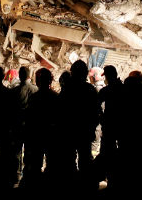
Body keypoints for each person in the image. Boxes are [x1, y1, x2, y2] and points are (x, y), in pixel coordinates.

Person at [59, 60, 100, 190]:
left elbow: (61, 111)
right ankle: (85, 185)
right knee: (85, 159)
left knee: (69, 159)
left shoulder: (66, 89)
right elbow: (96, 112)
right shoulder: (90, 89)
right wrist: (92, 127)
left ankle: (70, 183)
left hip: (69, 131)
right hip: (84, 131)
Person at [22, 68, 60, 189]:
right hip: (51, 136)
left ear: (38, 81)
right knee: (52, 164)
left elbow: (29, 119)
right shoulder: (56, 97)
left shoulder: (34, 98)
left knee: (35, 164)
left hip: (37, 136)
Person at [96, 65, 124, 187]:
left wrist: (102, 117)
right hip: (123, 126)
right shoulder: (124, 89)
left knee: (107, 152)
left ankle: (109, 176)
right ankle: (118, 179)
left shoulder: (106, 90)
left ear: (107, 76)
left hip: (109, 126)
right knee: (122, 152)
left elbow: (96, 105)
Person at [11, 66, 38, 186]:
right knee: (29, 152)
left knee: (16, 152)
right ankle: (27, 177)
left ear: (20, 76)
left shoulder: (14, 91)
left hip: (17, 125)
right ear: (29, 75)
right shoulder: (36, 90)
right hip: (31, 127)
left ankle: (16, 175)